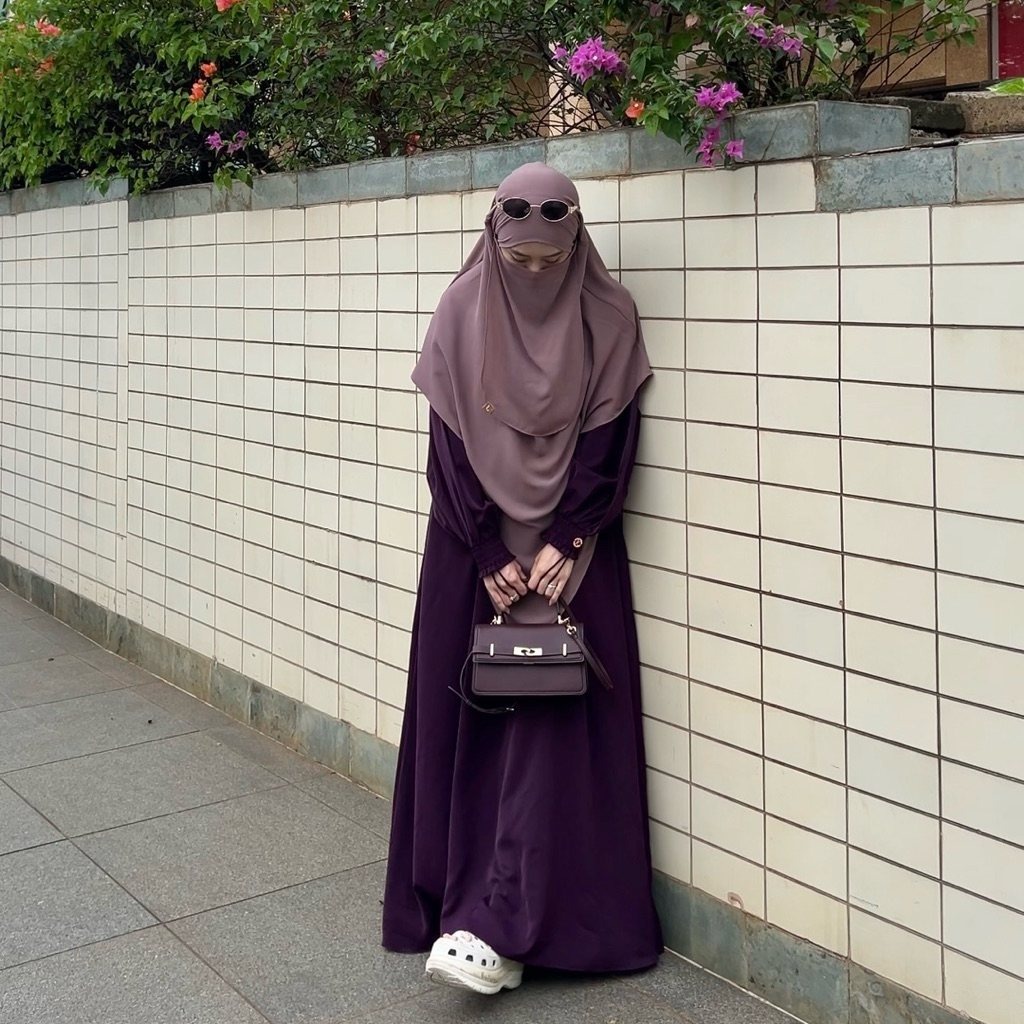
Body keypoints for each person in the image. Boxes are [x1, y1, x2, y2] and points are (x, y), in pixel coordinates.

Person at [381, 162, 663, 995]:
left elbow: (611, 442)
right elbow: (446, 445)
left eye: (551, 260)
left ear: (577, 244)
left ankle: (510, 923)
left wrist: (568, 538)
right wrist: (488, 551)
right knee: (474, 724)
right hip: (475, 555)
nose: (535, 274)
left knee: (551, 737)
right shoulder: (459, 310)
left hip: (570, 561)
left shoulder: (609, 316)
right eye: (519, 260)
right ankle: (463, 907)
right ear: (494, 239)